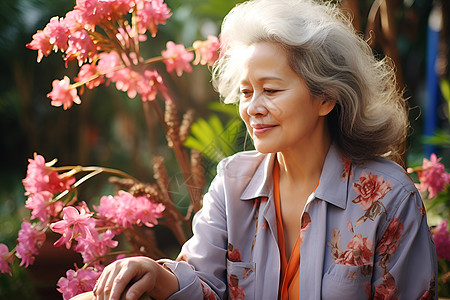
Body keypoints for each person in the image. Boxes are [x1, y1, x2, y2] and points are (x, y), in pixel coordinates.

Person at [92, 0, 438, 299]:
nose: (252, 108)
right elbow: (205, 287)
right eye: (245, 92)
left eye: (270, 91)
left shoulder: (389, 198)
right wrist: (153, 273)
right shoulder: (232, 182)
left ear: (326, 97)